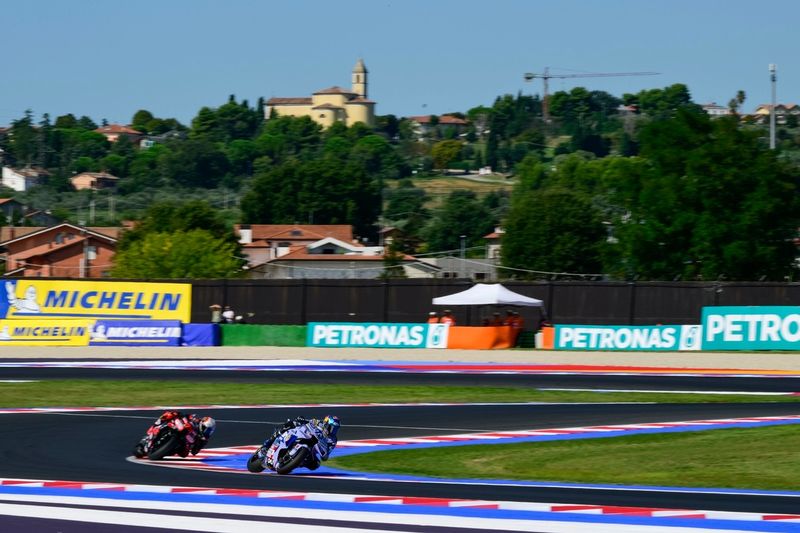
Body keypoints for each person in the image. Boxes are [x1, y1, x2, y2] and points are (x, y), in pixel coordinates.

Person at [262, 415, 341, 469]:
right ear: (325, 423)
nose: (332, 430)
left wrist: (325, 454)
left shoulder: (333, 440)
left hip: (312, 449)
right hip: (303, 435)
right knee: (290, 425)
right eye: (331, 427)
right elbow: (307, 421)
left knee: (315, 465)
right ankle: (267, 444)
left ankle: (294, 463)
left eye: (335, 429)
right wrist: (301, 420)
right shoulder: (318, 423)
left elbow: (325, 455)